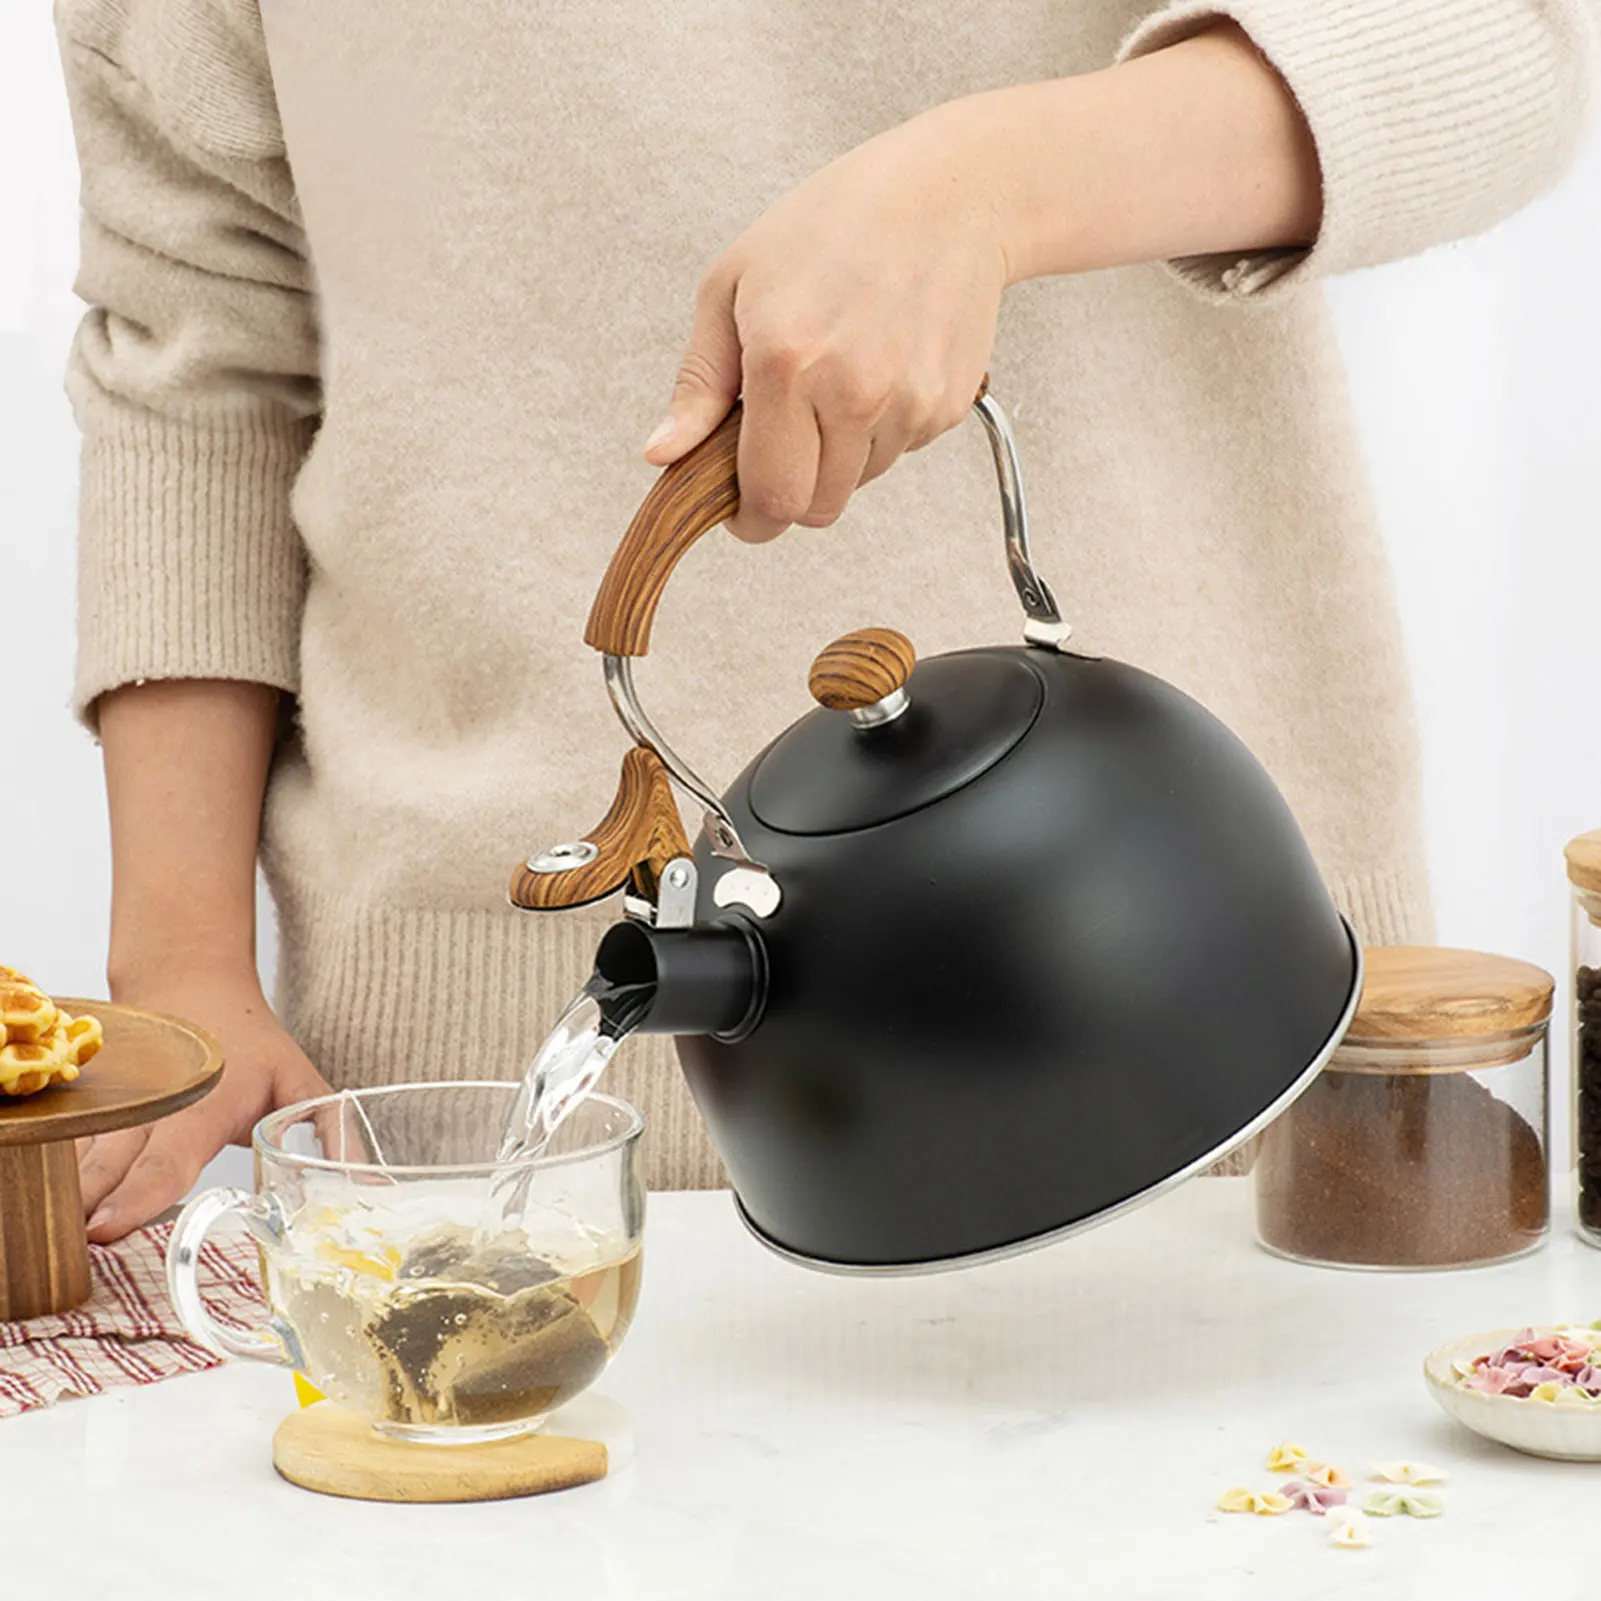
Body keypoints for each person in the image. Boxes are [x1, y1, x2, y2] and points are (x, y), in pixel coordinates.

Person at [56, 0, 1595, 1240]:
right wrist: (181, 966)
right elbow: (200, 344)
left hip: (1205, 1019)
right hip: (485, 1101)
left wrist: (987, 186)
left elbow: (1497, 38)